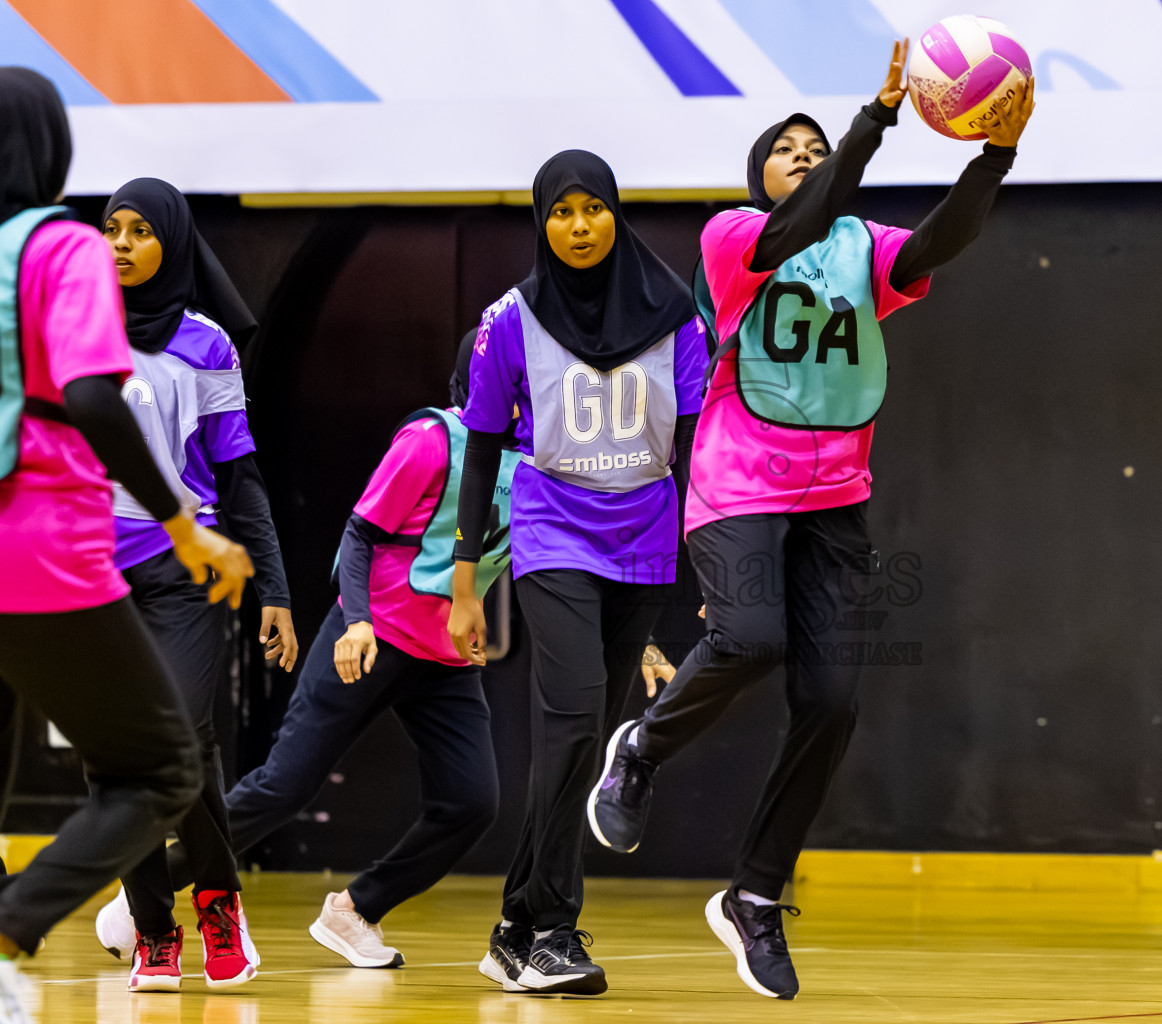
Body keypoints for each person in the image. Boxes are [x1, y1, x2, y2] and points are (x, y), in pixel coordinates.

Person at [585, 41, 1034, 999]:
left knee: (833, 701)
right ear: (761, 177)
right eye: (787, 146)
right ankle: (642, 750)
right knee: (749, 639)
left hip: (836, 500)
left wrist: (991, 158)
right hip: (738, 487)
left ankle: (753, 895)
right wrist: (869, 125)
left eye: (813, 142)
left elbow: (935, 245)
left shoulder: (864, 249)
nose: (803, 150)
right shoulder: (734, 238)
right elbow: (800, 218)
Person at [101, 333, 522, 972]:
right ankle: (145, 895)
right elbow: (358, 536)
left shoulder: (538, 465)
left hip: (444, 658)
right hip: (370, 637)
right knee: (284, 788)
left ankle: (354, 911)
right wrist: (356, 623)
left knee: (473, 803)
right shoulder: (431, 440)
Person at [0, 66, 250, 1018]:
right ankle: (16, 926)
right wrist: (187, 526)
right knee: (157, 770)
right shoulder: (58, 247)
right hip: (49, 549)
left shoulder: (201, 343)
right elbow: (96, 396)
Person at [449, 150, 707, 996]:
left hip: (645, 536)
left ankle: (514, 926)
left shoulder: (678, 319)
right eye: (560, 212)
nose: (578, 226)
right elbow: (482, 448)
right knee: (569, 725)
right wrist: (463, 578)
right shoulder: (508, 321)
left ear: (616, 215)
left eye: (592, 208)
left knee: (580, 742)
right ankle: (554, 930)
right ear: (541, 223)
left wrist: (708, 570)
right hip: (554, 529)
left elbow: (699, 449)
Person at [88, 178, 295, 993]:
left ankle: (217, 901)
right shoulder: (72, 333)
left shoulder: (207, 343)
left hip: (185, 569)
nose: (124, 243)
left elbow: (241, 479)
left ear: (172, 241)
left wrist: (274, 586)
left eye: (142, 230)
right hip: (90, 573)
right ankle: (154, 929)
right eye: (113, 229)